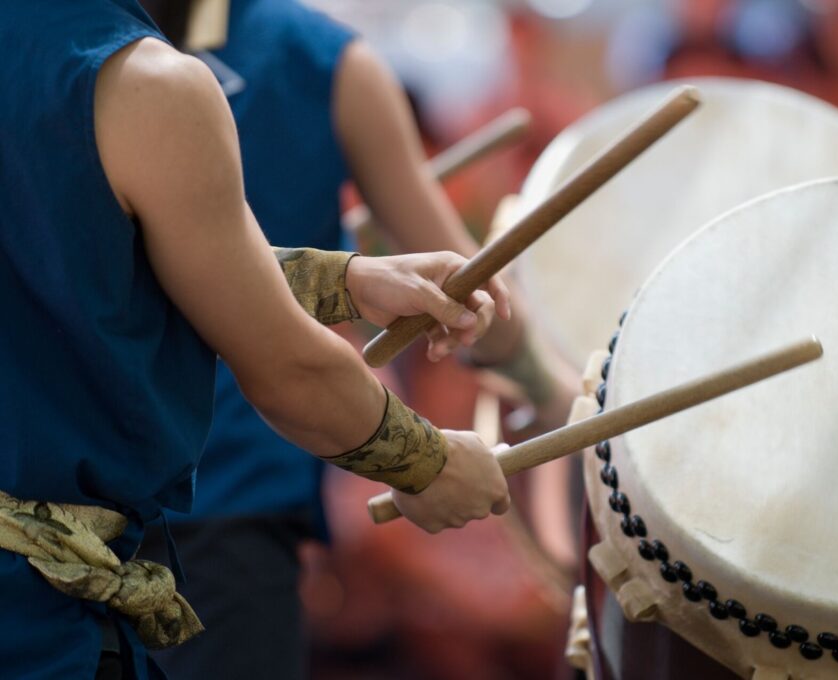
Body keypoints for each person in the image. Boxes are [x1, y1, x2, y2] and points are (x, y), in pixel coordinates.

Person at [0, 1, 513, 678]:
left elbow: (94, 253)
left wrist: (347, 280)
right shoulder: (149, 84)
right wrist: (428, 465)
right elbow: (289, 371)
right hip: (36, 618)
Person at [131, 1, 579, 677]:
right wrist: (553, 385)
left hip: (62, 514)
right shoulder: (329, 62)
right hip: (233, 509)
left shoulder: (61, 47)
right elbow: (469, 290)